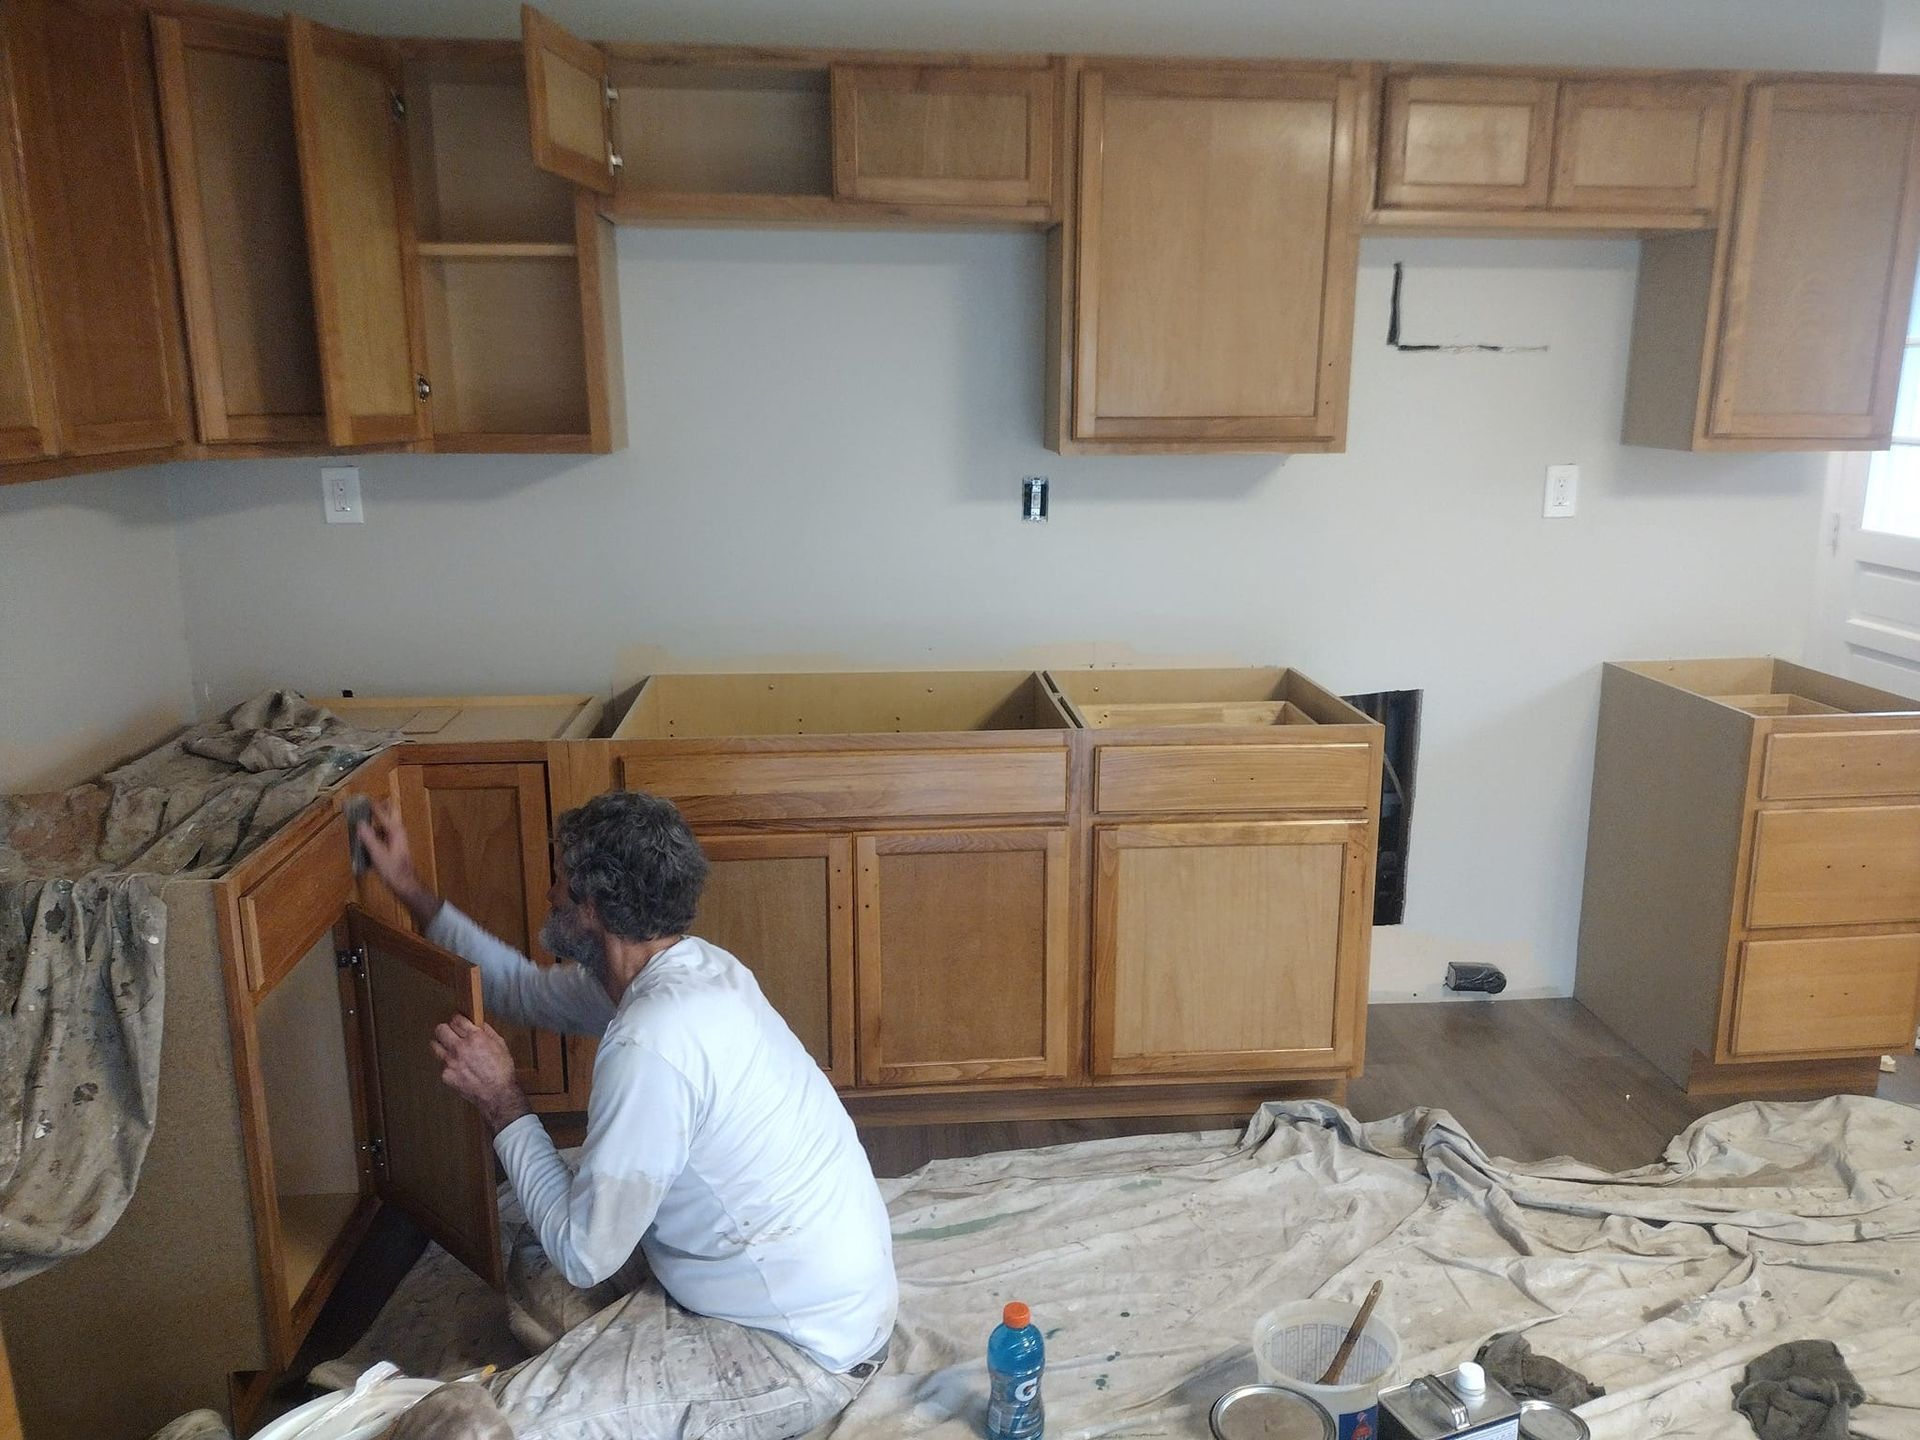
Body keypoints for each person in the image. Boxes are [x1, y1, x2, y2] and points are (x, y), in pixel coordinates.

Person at [357, 790, 897, 1440]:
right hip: (767, 1286)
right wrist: (409, 887)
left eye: (561, 878)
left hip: (798, 1347)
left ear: (592, 907)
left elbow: (586, 1259)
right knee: (513, 1230)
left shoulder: (653, 1038)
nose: (549, 890)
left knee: (490, 1422)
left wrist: (503, 1102)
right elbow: (520, 990)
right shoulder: (682, 971)